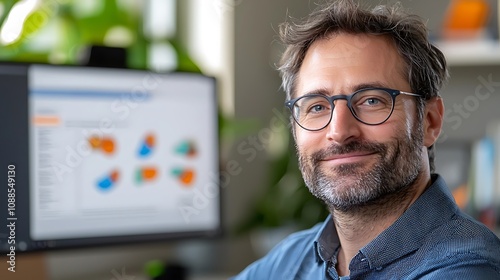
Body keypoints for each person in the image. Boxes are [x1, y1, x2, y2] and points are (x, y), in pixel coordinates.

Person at [232, 0, 500, 279]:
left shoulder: (467, 266)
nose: (339, 131)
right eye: (316, 106)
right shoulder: (290, 259)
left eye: (371, 100)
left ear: (430, 121)